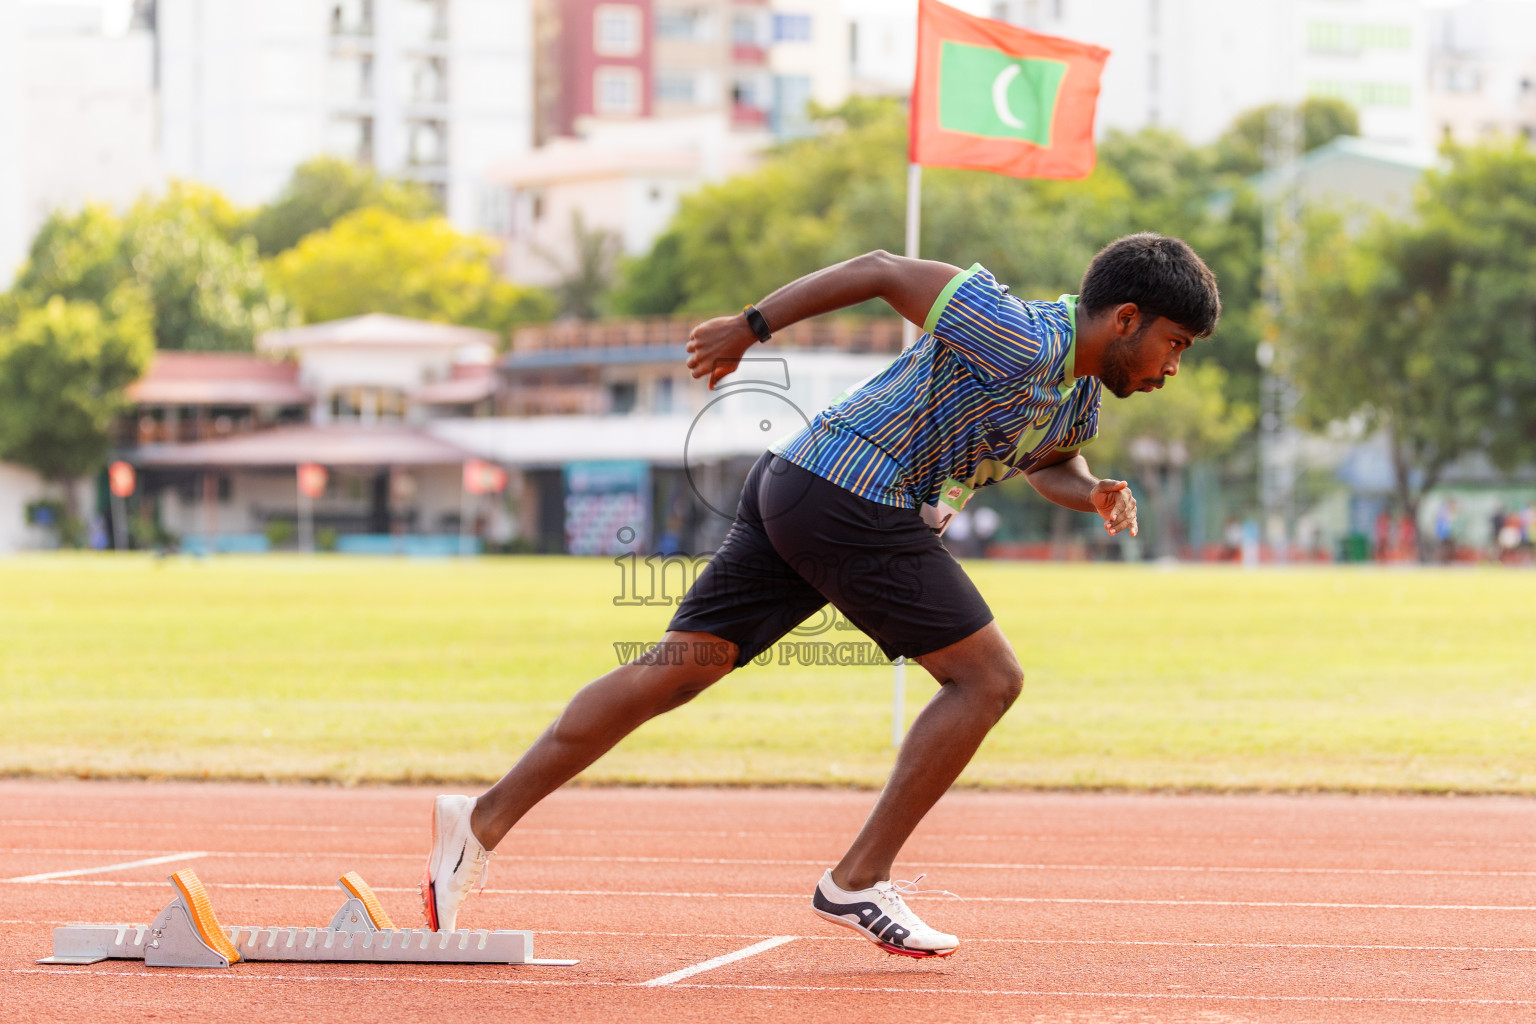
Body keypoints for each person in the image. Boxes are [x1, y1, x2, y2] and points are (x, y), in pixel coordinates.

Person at [422, 233, 1221, 958]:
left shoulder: (1077, 394)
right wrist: (750, 326)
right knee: (988, 679)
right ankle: (857, 880)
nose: (1172, 367)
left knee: (676, 670)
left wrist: (1093, 494)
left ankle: (479, 822)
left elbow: (1050, 463)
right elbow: (879, 270)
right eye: (1174, 345)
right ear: (1125, 318)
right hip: (850, 492)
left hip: (801, 484)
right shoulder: (1017, 330)